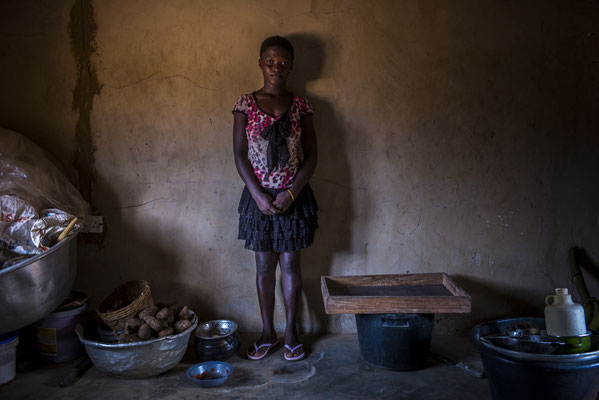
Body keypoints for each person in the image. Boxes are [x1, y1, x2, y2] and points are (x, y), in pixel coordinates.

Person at [232, 35, 318, 361]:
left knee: (291, 264)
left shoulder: (301, 106)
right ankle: (268, 332)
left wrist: (291, 193)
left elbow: (312, 156)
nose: (275, 67)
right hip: (257, 201)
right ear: (259, 62)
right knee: (264, 264)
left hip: (293, 199)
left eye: (282, 62)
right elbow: (240, 155)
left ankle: (291, 332)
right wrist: (257, 195)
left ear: (291, 66)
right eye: (270, 61)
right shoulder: (245, 104)